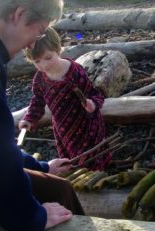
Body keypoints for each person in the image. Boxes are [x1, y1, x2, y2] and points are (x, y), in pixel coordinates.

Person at [0, 1, 84, 231]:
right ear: (19, 14)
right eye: (40, 30)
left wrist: (41, 166)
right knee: (56, 195)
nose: (35, 41)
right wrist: (31, 218)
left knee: (58, 186)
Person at [19, 27, 111, 171]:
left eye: (48, 58)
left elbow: (94, 93)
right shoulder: (40, 79)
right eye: (37, 61)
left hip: (85, 123)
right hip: (63, 127)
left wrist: (92, 104)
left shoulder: (74, 71)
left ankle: (95, 177)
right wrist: (29, 119)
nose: (44, 65)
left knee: (89, 156)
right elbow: (37, 101)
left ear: (58, 49)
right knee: (70, 158)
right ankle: (75, 178)